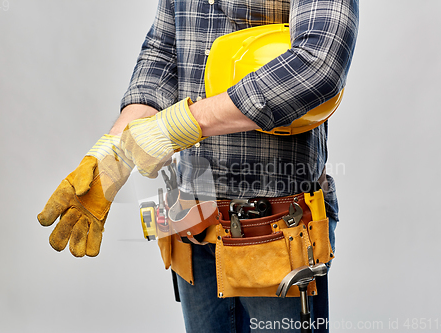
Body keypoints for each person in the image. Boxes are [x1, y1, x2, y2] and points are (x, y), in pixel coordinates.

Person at [38, 0, 359, 332]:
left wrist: (176, 126)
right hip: (193, 227)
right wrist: (114, 155)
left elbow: (319, 65)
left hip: (278, 233)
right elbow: (163, 56)